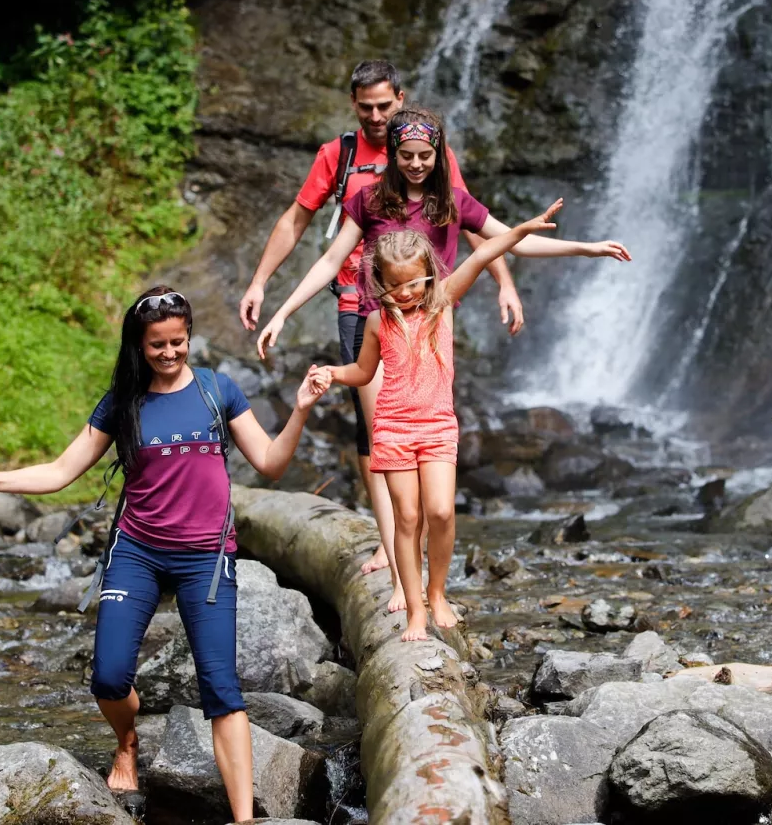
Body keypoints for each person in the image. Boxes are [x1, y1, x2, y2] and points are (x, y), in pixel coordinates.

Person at [0, 287, 328, 822]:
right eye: (157, 345)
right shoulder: (123, 403)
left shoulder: (219, 391)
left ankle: (245, 819)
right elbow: (60, 471)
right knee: (109, 676)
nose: (169, 353)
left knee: (222, 687)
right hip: (138, 552)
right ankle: (127, 742)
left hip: (204, 559)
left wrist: (301, 411)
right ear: (138, 346)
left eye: (178, 342)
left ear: (189, 336)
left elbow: (271, 463)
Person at [257, 107, 629, 611]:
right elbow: (328, 261)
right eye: (406, 156)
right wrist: (283, 311)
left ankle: (427, 589)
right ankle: (397, 579)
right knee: (384, 452)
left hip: (430, 331)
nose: (415, 164)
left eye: (424, 156)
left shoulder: (451, 202)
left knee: (430, 474)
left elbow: (505, 241)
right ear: (392, 154)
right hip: (379, 327)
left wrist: (586, 248)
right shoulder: (367, 199)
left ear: (439, 155)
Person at [235, 60, 521, 580]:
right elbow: (298, 221)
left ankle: (409, 555)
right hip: (361, 305)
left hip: (427, 313)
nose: (375, 115)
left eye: (385, 106)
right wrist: (262, 285)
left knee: (417, 417)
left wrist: (505, 282)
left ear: (401, 99)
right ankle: (392, 547)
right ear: (353, 104)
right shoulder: (339, 157)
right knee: (377, 427)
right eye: (366, 107)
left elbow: (471, 221)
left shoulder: (425, 151)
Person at [309, 200, 565, 641]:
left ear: (428, 274)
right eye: (394, 286)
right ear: (380, 283)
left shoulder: (441, 302)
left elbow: (482, 254)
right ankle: (414, 611)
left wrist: (522, 229)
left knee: (442, 512)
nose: (405, 293)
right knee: (407, 517)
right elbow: (364, 373)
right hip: (391, 427)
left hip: (437, 425)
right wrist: (333, 373)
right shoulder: (375, 321)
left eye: (412, 283)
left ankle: (438, 590)